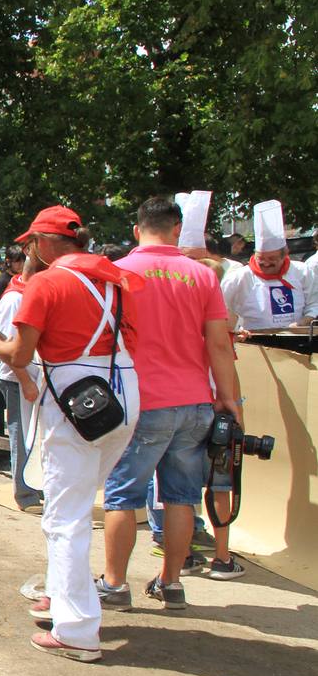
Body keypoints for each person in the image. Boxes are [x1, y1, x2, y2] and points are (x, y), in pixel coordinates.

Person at [0, 206, 143, 664]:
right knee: (74, 502)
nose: (27, 250)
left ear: (47, 244)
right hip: (122, 394)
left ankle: (77, 630)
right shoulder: (116, 279)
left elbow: (18, 352)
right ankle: (60, 594)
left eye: (31, 242)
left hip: (75, 399)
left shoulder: (46, 283)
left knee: (64, 517)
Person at [88, 197, 241, 613]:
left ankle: (115, 584)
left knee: (122, 497)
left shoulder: (119, 273)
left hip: (142, 401)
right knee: (181, 498)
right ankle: (172, 584)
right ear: (177, 230)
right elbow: (219, 344)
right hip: (194, 402)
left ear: (137, 230)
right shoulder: (203, 275)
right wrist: (227, 399)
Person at [0, 261, 43, 511]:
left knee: (34, 436)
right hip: (17, 379)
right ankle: (25, 494)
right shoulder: (13, 299)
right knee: (21, 436)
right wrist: (25, 381)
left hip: (36, 376)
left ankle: (36, 485)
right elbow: (5, 345)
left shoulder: (33, 295)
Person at [221, 200, 316, 331]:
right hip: (253, 343)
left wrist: (303, 322)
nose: (266, 263)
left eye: (272, 258)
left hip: (297, 339)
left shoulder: (302, 271)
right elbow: (219, 307)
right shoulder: (239, 277)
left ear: (285, 254)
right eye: (261, 258)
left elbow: (314, 303)